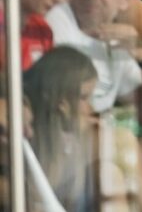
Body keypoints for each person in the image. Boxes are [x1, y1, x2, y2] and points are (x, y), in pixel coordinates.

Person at [23, 46, 99, 211]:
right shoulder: (27, 129)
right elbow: (41, 193)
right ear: (60, 100)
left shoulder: (68, 138)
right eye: (84, 98)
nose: (90, 108)